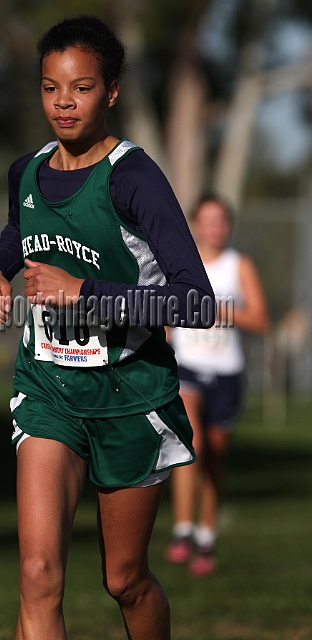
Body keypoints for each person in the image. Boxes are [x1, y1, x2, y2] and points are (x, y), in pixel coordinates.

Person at [0, 16, 215, 639]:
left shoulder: (135, 179)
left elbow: (197, 303)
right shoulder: (26, 172)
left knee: (124, 580)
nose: (63, 103)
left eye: (80, 88)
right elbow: (12, 244)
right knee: (37, 572)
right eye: (51, 88)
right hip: (50, 388)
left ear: (110, 91)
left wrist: (85, 293)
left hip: (129, 398)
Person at [165, 194, 270, 577]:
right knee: (191, 442)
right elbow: (163, 307)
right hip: (187, 367)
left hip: (226, 373)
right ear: (194, 223)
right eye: (207, 219)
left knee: (214, 457)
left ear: (228, 225)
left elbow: (261, 320)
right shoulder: (179, 262)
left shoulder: (239, 265)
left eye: (221, 220)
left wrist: (221, 310)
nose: (214, 226)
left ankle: (206, 534)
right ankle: (181, 530)